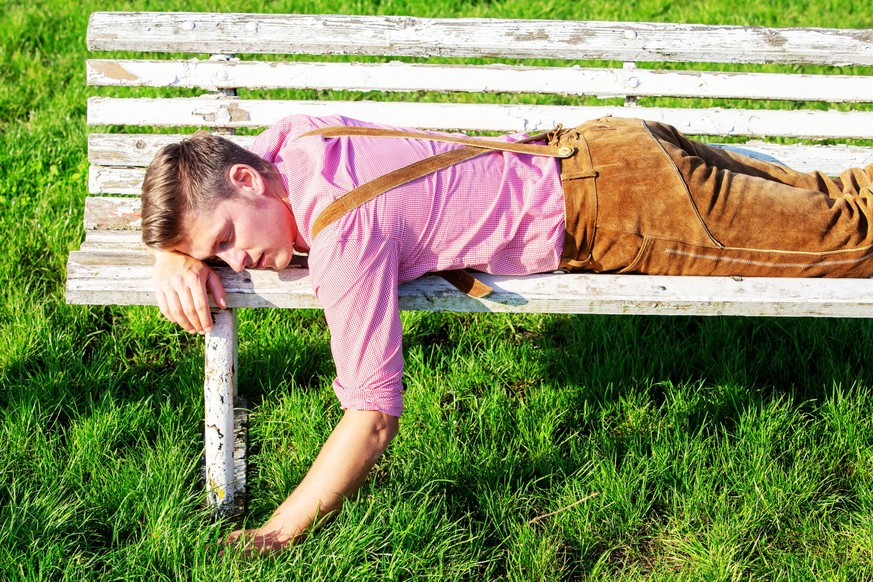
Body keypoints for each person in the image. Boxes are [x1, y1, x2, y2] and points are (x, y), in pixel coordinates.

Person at [141, 114, 873, 552]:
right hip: (600, 148)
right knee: (835, 203)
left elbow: (371, 417)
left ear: (246, 182)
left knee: (855, 243)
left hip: (628, 210)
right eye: (218, 258)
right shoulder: (298, 145)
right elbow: (223, 162)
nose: (239, 264)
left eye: (229, 240)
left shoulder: (343, 239)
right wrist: (173, 248)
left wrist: (281, 528)